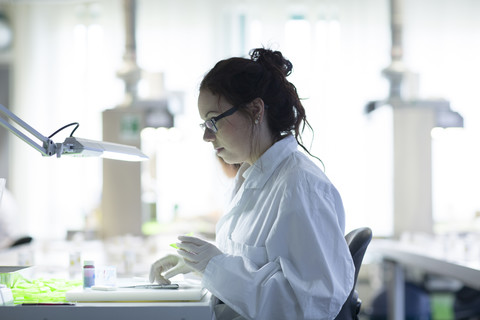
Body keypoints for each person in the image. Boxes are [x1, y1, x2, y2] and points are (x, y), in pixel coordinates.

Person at [149, 48, 354, 320]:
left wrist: (215, 267)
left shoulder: (299, 186)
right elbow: (253, 269)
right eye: (204, 125)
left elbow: (310, 308)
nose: (207, 136)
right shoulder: (251, 178)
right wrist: (202, 268)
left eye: (213, 120)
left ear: (255, 110)